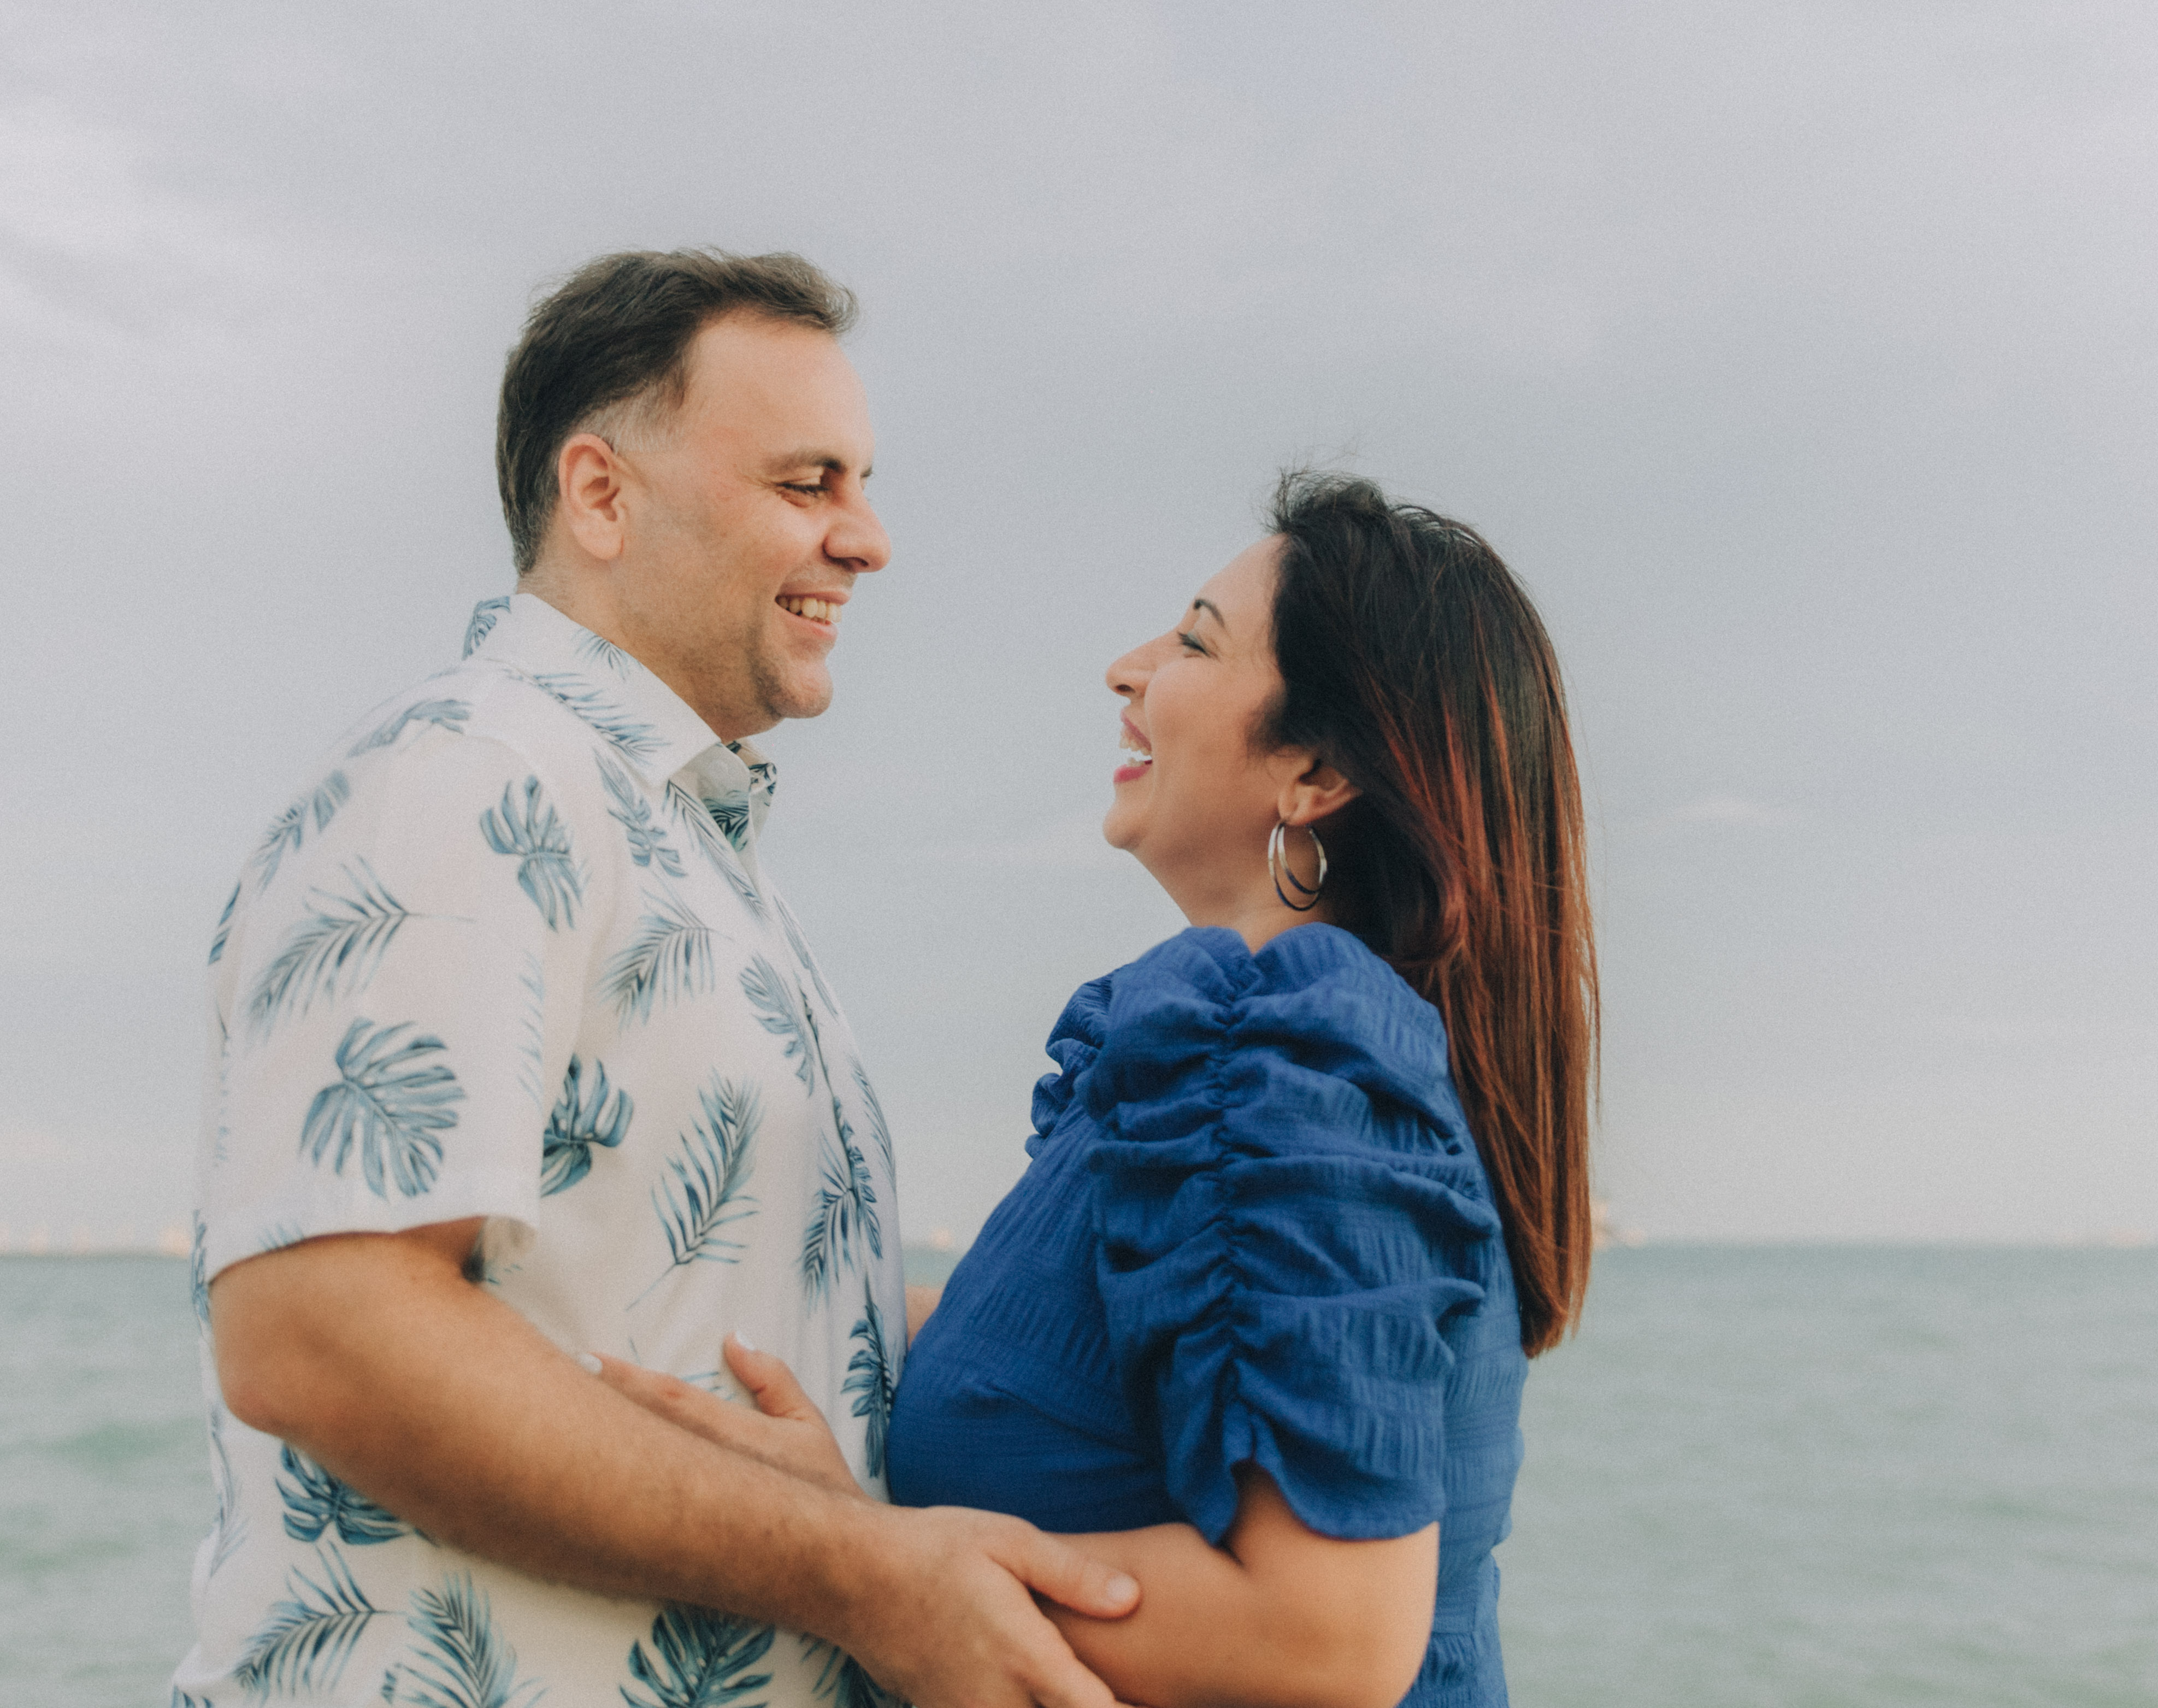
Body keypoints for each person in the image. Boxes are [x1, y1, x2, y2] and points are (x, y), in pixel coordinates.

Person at [172, 249, 1141, 1708]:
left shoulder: (686, 842)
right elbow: (323, 1330)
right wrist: (866, 1572)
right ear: (603, 494)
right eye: (807, 482)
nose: (868, 537)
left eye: (862, 482)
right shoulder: (468, 779)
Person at [597, 472, 1597, 1708]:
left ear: (1314, 770)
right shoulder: (1246, 1070)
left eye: (1191, 640)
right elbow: (1039, 1363)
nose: (1126, 669)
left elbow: (1322, 1639)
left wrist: (842, 1558)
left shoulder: (1289, 1058)